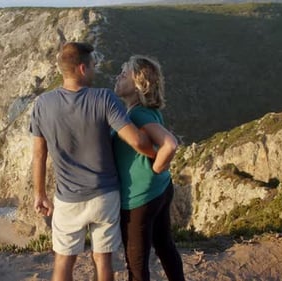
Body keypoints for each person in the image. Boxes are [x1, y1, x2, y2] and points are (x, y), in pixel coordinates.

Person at [30, 42, 156, 281]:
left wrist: (40, 194)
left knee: (64, 260)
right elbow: (136, 141)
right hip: (104, 195)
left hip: (67, 198)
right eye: (93, 66)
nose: (95, 70)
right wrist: (157, 156)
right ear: (82, 69)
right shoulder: (104, 98)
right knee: (102, 259)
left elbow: (39, 154)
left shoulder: (42, 104)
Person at [113, 55, 185, 281]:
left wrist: (154, 169)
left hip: (140, 199)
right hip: (161, 189)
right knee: (165, 246)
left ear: (138, 85)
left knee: (136, 264)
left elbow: (170, 144)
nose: (118, 76)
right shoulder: (148, 111)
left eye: (124, 74)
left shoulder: (137, 114)